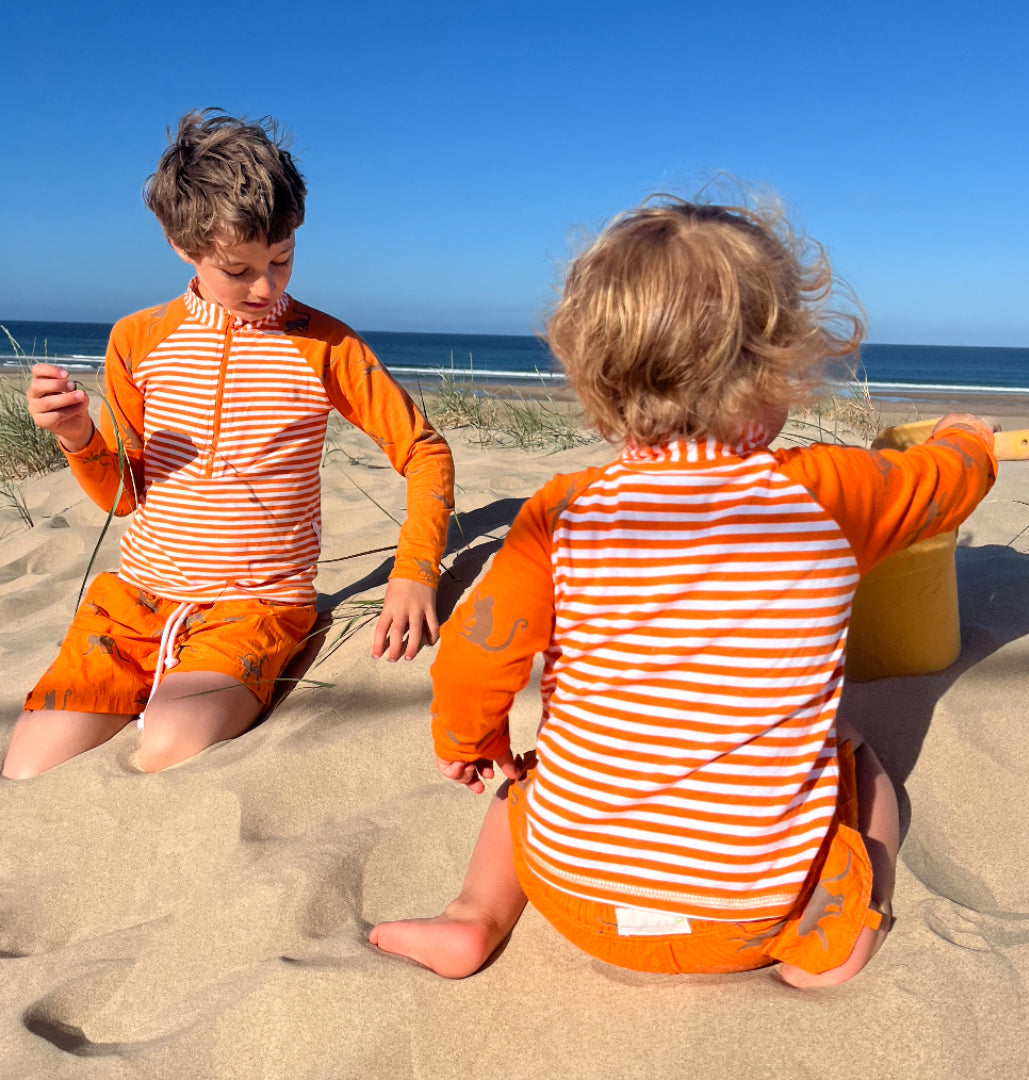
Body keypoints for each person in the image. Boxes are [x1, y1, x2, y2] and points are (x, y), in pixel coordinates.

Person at [369, 195, 997, 987]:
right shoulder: (829, 495)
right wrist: (969, 439)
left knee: (525, 783)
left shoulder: (561, 513)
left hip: (571, 895)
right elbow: (944, 485)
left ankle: (473, 918)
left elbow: (475, 655)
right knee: (861, 763)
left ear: (594, 370)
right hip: (748, 916)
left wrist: (468, 742)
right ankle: (836, 934)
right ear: (775, 365)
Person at [4, 110, 454, 778]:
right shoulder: (138, 340)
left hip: (257, 607)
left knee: (168, 743)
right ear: (179, 244)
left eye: (282, 259)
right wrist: (77, 436)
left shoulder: (326, 344)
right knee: (29, 763)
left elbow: (424, 452)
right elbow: (124, 496)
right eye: (238, 269)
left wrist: (413, 573)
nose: (266, 287)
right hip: (132, 605)